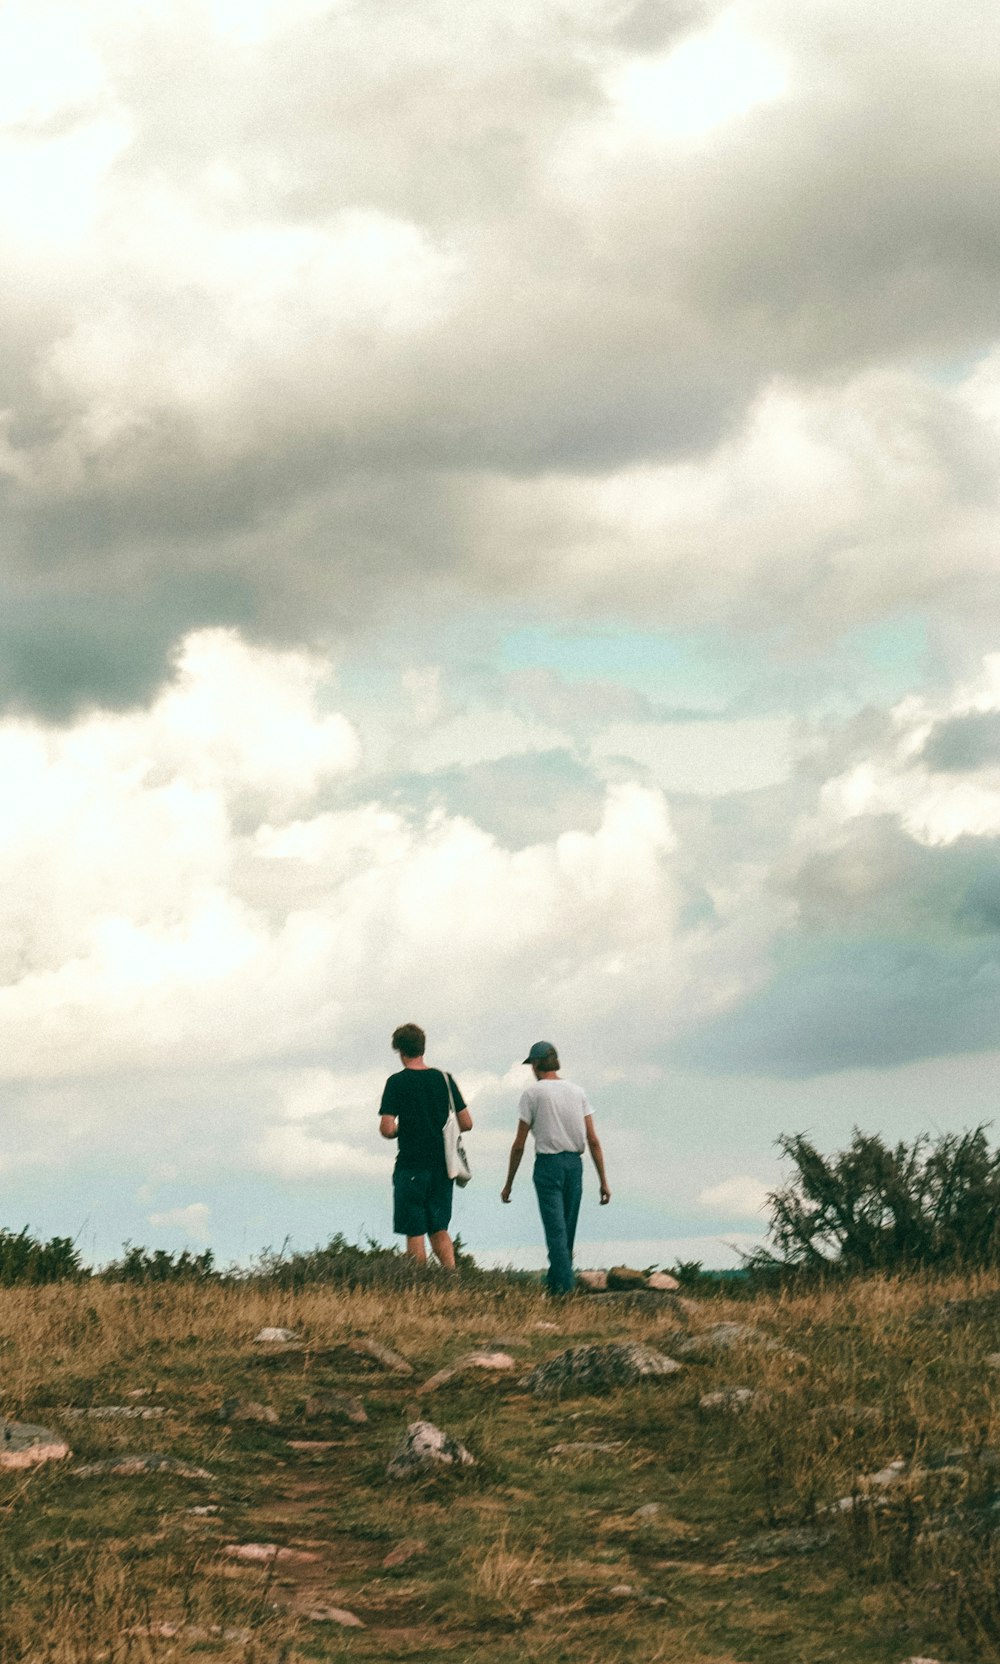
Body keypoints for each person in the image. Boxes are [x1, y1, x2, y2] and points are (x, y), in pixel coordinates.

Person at [501, 1041, 610, 1295]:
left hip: (548, 1165)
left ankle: (564, 1293)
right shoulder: (578, 1092)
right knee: (566, 1230)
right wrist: (603, 1181)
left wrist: (509, 1183)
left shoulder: (533, 1094)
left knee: (555, 1231)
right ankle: (557, 1286)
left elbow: (519, 1144)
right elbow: (593, 1139)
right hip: (575, 1164)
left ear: (536, 1064)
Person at [379, 1022, 473, 1268]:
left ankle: (420, 1287)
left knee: (415, 1230)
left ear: (400, 1050)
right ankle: (452, 1280)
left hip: (411, 1166)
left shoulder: (396, 1083)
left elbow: (387, 1128)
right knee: (439, 1228)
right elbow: (467, 1122)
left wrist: (405, 1128)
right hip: (443, 1166)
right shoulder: (444, 1079)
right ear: (422, 1048)